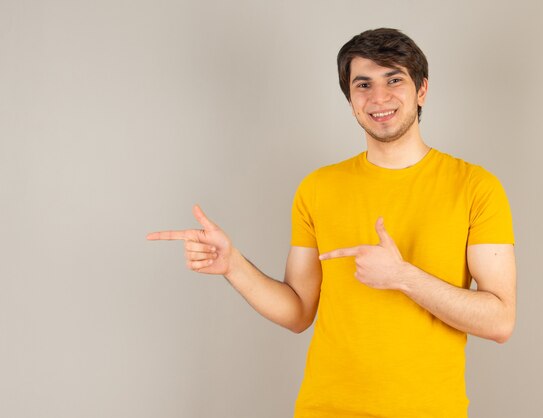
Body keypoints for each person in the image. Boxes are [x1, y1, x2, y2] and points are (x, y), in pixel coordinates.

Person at [147, 28, 516, 418]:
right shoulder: (318, 188)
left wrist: (403, 276)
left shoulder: (476, 187)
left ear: (422, 90)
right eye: (363, 84)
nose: (379, 97)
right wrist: (234, 265)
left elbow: (499, 321)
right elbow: (299, 312)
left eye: (394, 79)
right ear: (351, 100)